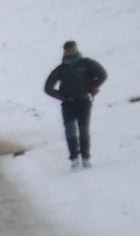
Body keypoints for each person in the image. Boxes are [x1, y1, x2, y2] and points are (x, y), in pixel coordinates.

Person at [44, 40, 108, 168]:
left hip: (84, 101)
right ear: (65, 52)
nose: (71, 52)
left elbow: (102, 75)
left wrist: (94, 87)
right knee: (70, 131)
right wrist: (59, 96)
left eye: (73, 49)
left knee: (84, 130)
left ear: (76, 49)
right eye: (68, 50)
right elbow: (47, 87)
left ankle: (85, 157)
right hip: (68, 104)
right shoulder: (61, 69)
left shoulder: (87, 63)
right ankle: (74, 158)